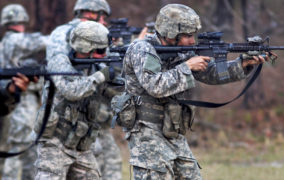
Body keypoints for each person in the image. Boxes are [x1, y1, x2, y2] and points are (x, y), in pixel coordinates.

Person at [118, 4, 269, 179]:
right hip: (145, 130)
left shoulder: (181, 51)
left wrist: (242, 64)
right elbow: (155, 85)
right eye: (188, 35)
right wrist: (187, 67)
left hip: (172, 128)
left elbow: (210, 73)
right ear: (171, 33)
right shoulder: (141, 49)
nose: (192, 41)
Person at [45, 0, 122, 179]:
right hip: (62, 119)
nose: (103, 20)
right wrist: (103, 72)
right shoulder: (63, 37)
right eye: (100, 16)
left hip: (86, 122)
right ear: (89, 13)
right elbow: (67, 82)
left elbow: (106, 73)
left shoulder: (95, 41)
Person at [0, 4, 48, 180]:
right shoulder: (16, 41)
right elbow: (44, 41)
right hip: (20, 101)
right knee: (20, 148)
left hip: (10, 101)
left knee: (21, 148)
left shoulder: (4, 44)